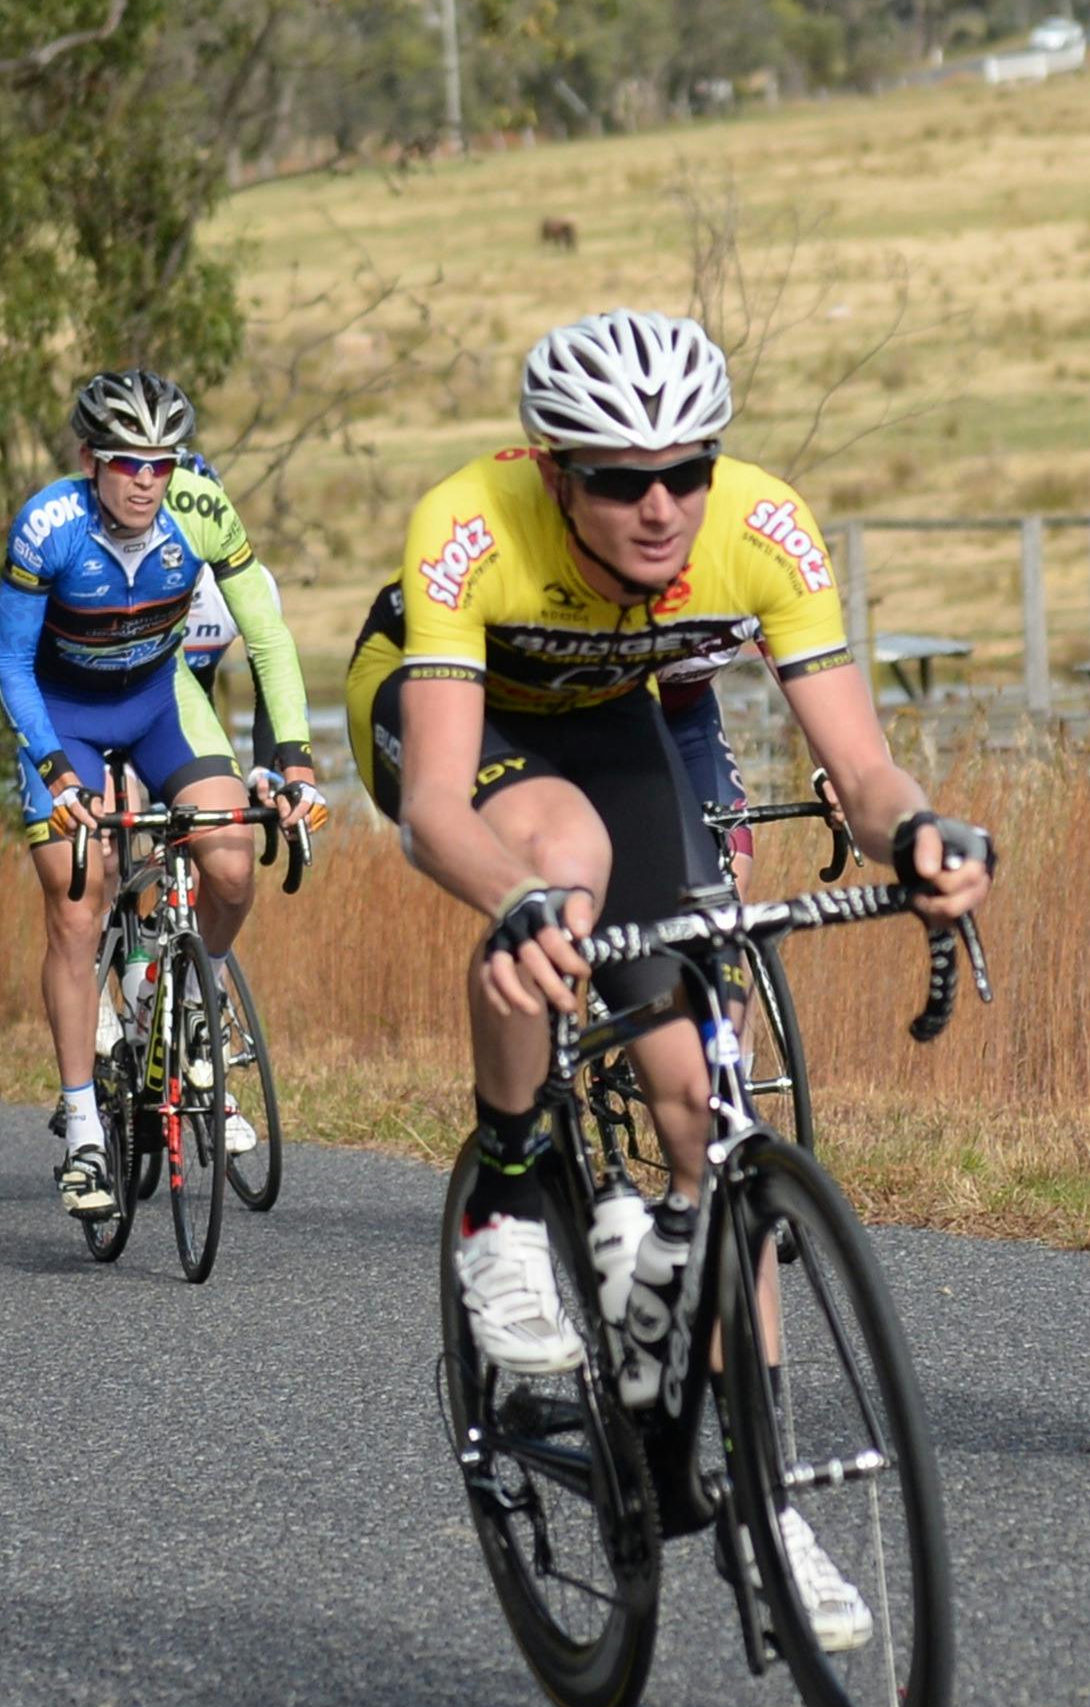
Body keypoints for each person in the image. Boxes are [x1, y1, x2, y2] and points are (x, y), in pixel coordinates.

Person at [341, 309, 991, 1638]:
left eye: (686, 472)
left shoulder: (761, 527)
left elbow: (860, 773)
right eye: (621, 479)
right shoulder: (470, 522)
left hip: (624, 722)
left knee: (708, 1103)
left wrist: (919, 828)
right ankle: (507, 1206)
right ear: (552, 470)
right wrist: (516, 905)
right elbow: (441, 811)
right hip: (455, 719)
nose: (660, 507)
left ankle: (763, 1506)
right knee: (558, 861)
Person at [0, 370, 321, 1221]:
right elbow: (10, 663)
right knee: (78, 900)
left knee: (231, 861)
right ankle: (84, 1126)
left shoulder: (202, 509)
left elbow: (269, 638)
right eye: (128, 462)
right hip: (63, 713)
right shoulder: (48, 527)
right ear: (91, 460)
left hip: (157, 699)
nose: (145, 480)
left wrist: (295, 763)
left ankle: (182, 999)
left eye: (160, 462)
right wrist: (58, 773)